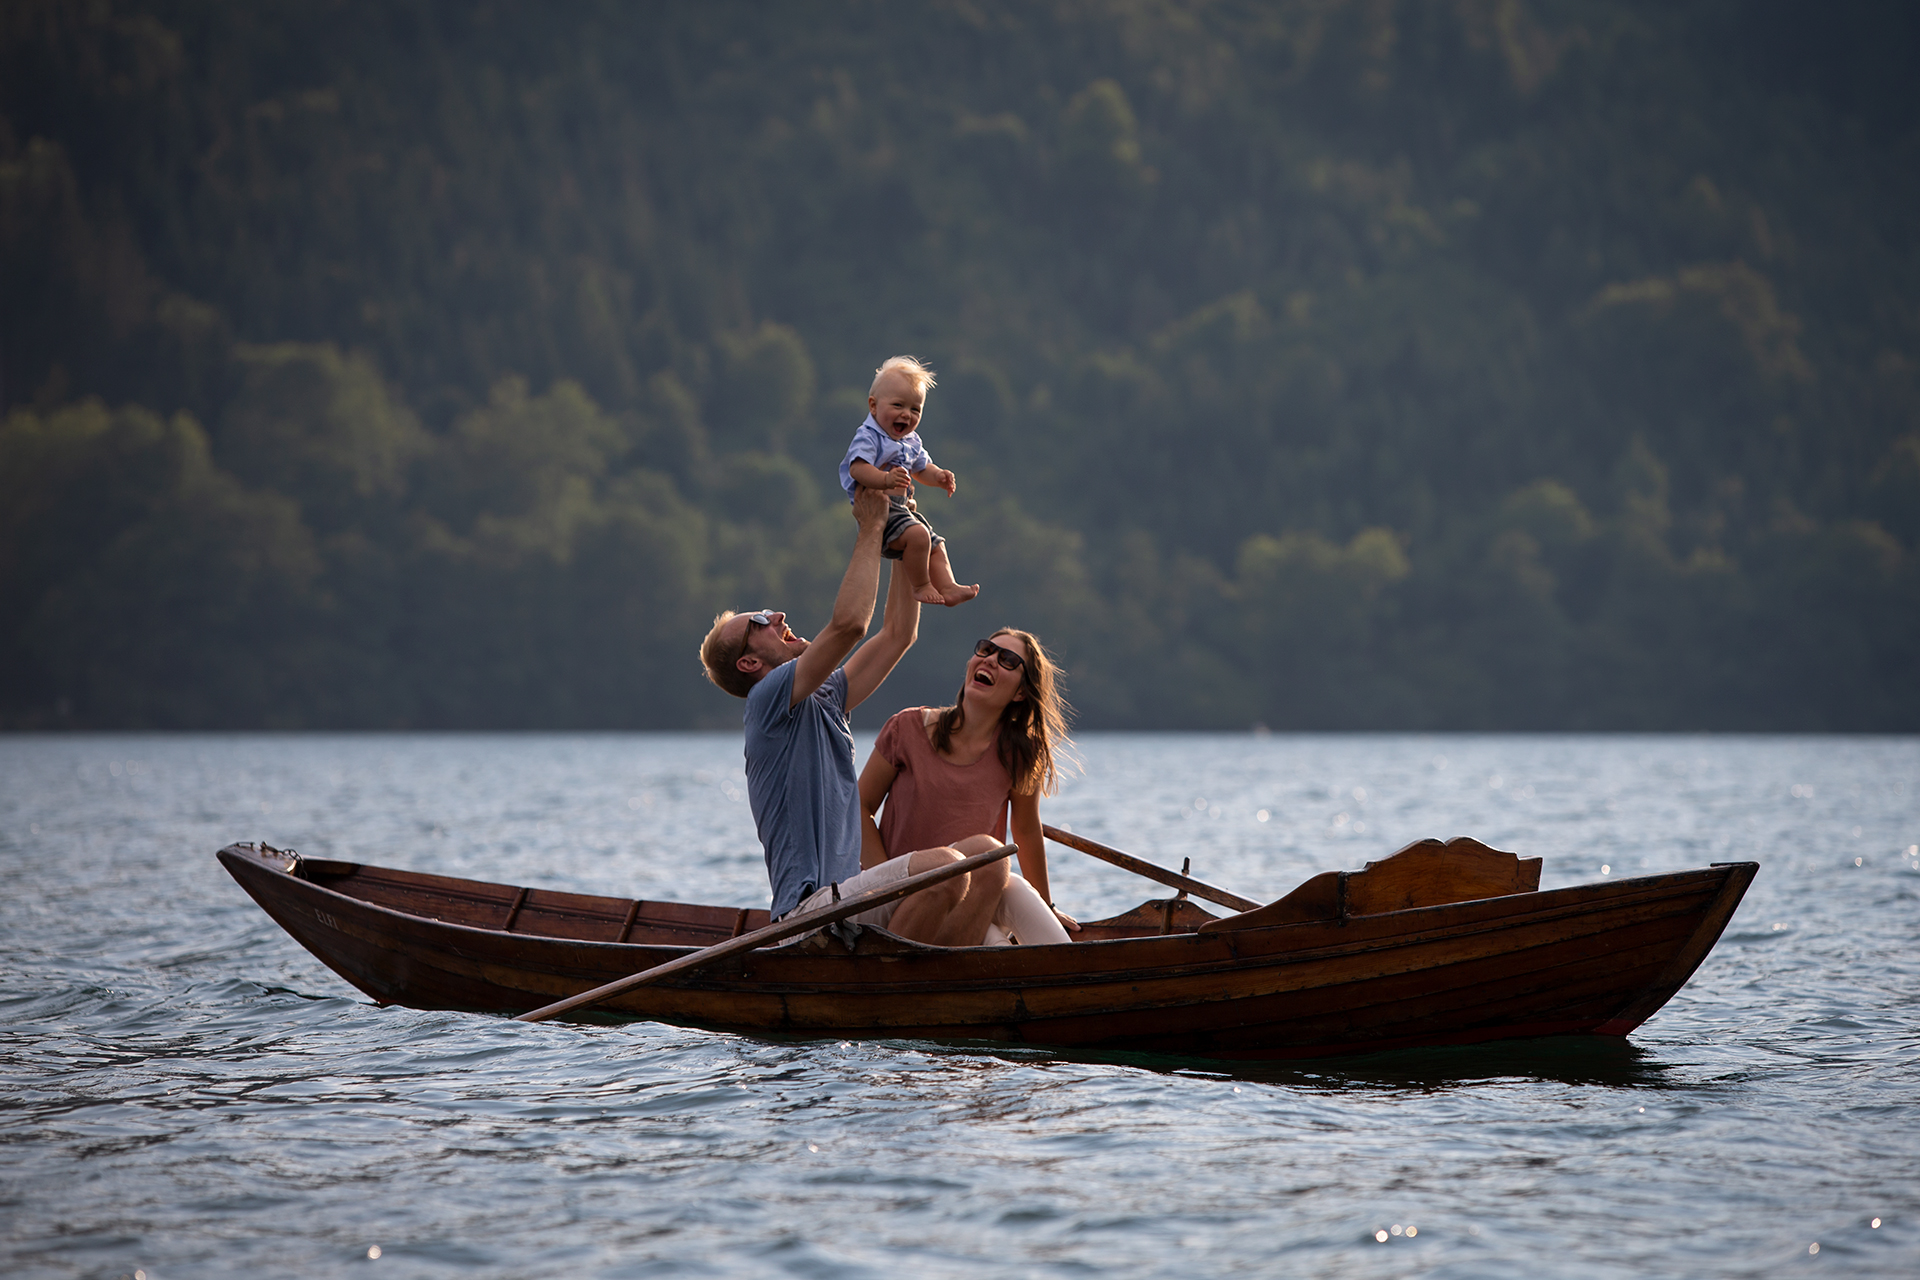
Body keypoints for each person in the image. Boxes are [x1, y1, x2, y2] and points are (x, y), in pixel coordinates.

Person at [697, 484, 1009, 947]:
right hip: (809, 915)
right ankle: (891, 990)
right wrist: (870, 529)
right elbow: (849, 626)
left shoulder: (823, 698)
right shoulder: (766, 700)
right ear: (749, 664)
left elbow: (899, 633)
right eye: (761, 621)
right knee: (946, 869)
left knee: (989, 857)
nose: (778, 615)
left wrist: (904, 540)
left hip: (851, 900)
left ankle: (940, 985)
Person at [858, 628, 1079, 946]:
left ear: (1020, 693)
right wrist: (885, 883)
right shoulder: (905, 729)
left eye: (1007, 660)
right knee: (999, 946)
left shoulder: (1019, 754)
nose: (990, 660)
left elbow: (1027, 831)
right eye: (986, 650)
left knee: (1011, 885)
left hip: (977, 896)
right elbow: (860, 806)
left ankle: (1070, 978)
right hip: (906, 898)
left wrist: (1048, 905)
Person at [838, 355, 979, 608]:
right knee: (919, 537)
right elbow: (857, 468)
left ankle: (947, 585)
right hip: (881, 513)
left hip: (902, 509)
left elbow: (921, 468)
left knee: (936, 544)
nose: (907, 414)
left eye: (915, 409)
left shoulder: (911, 441)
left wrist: (938, 477)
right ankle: (921, 585)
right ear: (873, 406)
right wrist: (885, 478)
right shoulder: (869, 436)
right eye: (898, 405)